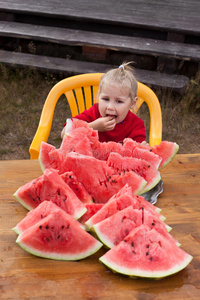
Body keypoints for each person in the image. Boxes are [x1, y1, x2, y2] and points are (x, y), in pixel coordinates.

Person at [61, 62, 146, 143]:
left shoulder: (136, 125)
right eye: (106, 99)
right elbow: (64, 133)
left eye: (119, 101)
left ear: (132, 103)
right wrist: (92, 126)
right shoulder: (93, 113)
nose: (110, 107)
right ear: (99, 96)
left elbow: (138, 152)